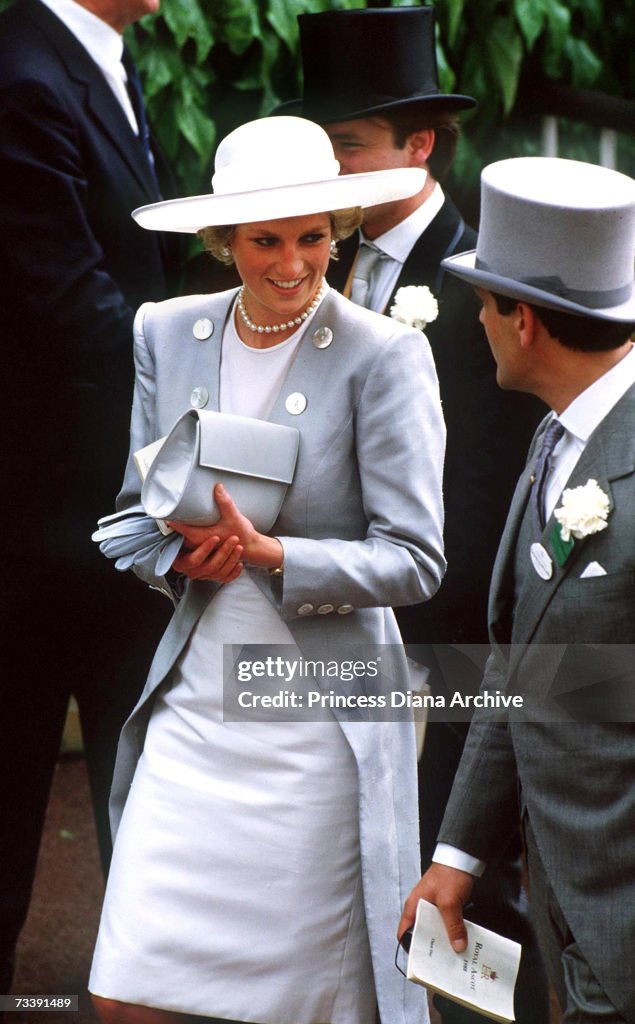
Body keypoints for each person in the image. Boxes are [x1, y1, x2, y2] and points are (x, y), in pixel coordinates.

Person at [88, 115, 446, 1024]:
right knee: (124, 989)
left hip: (313, 726)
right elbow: (136, 515)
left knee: (295, 1005)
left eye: (314, 237)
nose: (293, 264)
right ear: (221, 240)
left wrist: (275, 554)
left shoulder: (386, 354)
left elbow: (416, 560)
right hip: (195, 704)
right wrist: (181, 554)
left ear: (339, 231)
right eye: (266, 240)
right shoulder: (164, 330)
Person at [273, 8, 548, 1024]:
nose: (332, 167)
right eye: (325, 145)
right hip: (329, 617)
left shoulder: (479, 279)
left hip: (444, 634)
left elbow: (487, 481)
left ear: (417, 145)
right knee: (344, 852)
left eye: (348, 145)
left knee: (459, 862)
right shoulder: (309, 262)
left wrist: (437, 636)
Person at [400, 156, 635, 1024]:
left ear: (524, 321)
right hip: (566, 920)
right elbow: (520, 668)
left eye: (486, 302)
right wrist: (459, 853)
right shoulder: (552, 439)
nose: (480, 322)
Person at [0, 0, 180, 992]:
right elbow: (66, 303)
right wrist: (214, 368)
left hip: (101, 512)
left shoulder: (91, 60)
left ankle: (140, 983)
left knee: (133, 764)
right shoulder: (26, 76)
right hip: (36, 522)